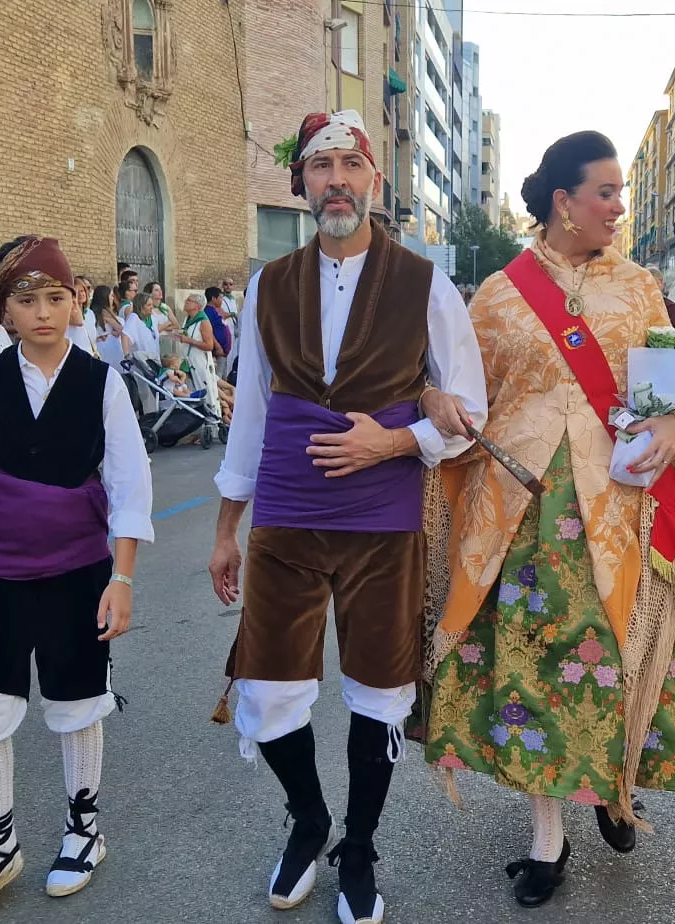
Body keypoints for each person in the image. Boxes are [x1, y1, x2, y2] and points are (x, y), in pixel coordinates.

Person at [421, 130, 675, 910]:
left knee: (622, 650)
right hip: (524, 512)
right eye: (607, 193)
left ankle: (618, 783)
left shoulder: (639, 289)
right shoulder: (496, 294)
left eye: (623, 193)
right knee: (535, 666)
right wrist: (431, 401)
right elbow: (460, 393)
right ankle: (547, 837)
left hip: (623, 506)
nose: (619, 208)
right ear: (564, 201)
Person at [209, 109, 486, 924]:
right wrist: (227, 525)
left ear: (374, 180)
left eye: (350, 164)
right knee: (268, 689)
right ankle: (309, 818)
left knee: (378, 688)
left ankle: (359, 843)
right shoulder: (270, 283)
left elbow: (470, 410)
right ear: (300, 185)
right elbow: (252, 416)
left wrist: (394, 440)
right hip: (288, 515)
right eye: (319, 166)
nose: (336, 179)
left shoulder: (425, 282)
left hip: (381, 515)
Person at [0, 236, 152, 924]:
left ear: (73, 302)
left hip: (81, 568)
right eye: (26, 301)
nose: (43, 313)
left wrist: (122, 578)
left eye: (55, 298)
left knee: (78, 698)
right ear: (1, 313)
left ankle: (84, 831)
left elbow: (127, 483)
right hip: (1, 568)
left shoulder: (100, 380)